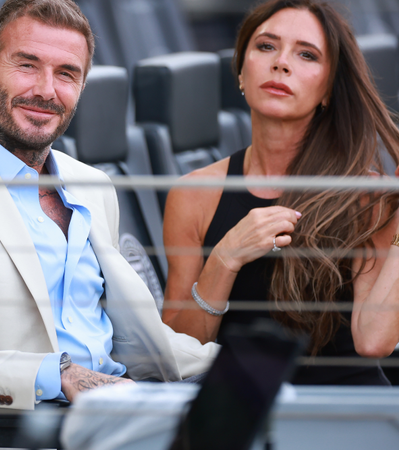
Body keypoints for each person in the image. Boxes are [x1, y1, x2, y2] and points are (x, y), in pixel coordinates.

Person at [0, 0, 218, 410]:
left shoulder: (92, 185)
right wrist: (61, 375)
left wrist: (260, 363)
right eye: (27, 65)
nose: (45, 90)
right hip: (22, 424)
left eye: (66, 74)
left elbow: (139, 340)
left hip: (123, 408)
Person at [163, 0, 399, 385]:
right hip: (243, 414)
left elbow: (374, 341)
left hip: (347, 414)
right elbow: (178, 349)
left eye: (306, 54)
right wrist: (225, 258)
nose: (281, 63)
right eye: (266, 46)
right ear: (241, 72)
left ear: (327, 89)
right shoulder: (194, 194)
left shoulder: (365, 195)